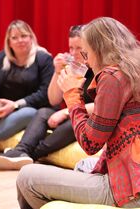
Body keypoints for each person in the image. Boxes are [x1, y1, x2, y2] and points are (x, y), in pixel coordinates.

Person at [16, 17, 140, 209]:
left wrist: (72, 95)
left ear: (99, 50)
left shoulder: (112, 77)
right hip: (131, 175)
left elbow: (90, 143)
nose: (87, 60)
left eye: (86, 52)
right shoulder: (133, 69)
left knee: (27, 176)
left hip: (129, 190)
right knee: (84, 165)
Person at [0, 25, 94, 170]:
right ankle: (21, 150)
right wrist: (57, 72)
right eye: (71, 48)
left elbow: (100, 105)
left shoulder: (98, 68)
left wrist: (65, 112)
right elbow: (53, 100)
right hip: (73, 111)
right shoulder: (73, 67)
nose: (74, 53)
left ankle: (31, 154)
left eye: (79, 48)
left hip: (90, 117)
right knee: (44, 111)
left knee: (74, 123)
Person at [0, 19, 54, 153]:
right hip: (1, 111)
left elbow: (44, 93)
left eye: (24, 36)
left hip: (26, 110)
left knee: (29, 112)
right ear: (9, 42)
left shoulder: (43, 58)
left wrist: (14, 105)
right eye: (15, 38)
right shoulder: (1, 57)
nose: (20, 40)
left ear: (31, 38)